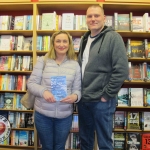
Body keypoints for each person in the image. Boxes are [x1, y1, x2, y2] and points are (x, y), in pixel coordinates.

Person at [77, 5, 128, 150]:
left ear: (104, 18)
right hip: (84, 100)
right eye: (89, 16)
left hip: (102, 101)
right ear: (86, 19)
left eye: (96, 16)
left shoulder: (113, 37)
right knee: (85, 140)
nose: (93, 19)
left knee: (104, 143)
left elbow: (122, 70)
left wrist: (106, 95)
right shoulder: (85, 39)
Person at [27, 30, 81, 150]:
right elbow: (31, 83)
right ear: (53, 44)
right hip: (43, 114)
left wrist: (75, 97)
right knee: (47, 146)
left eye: (64, 41)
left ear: (69, 44)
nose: (61, 44)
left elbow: (78, 89)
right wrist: (44, 92)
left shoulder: (75, 64)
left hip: (64, 115)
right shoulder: (43, 61)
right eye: (58, 41)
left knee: (59, 146)